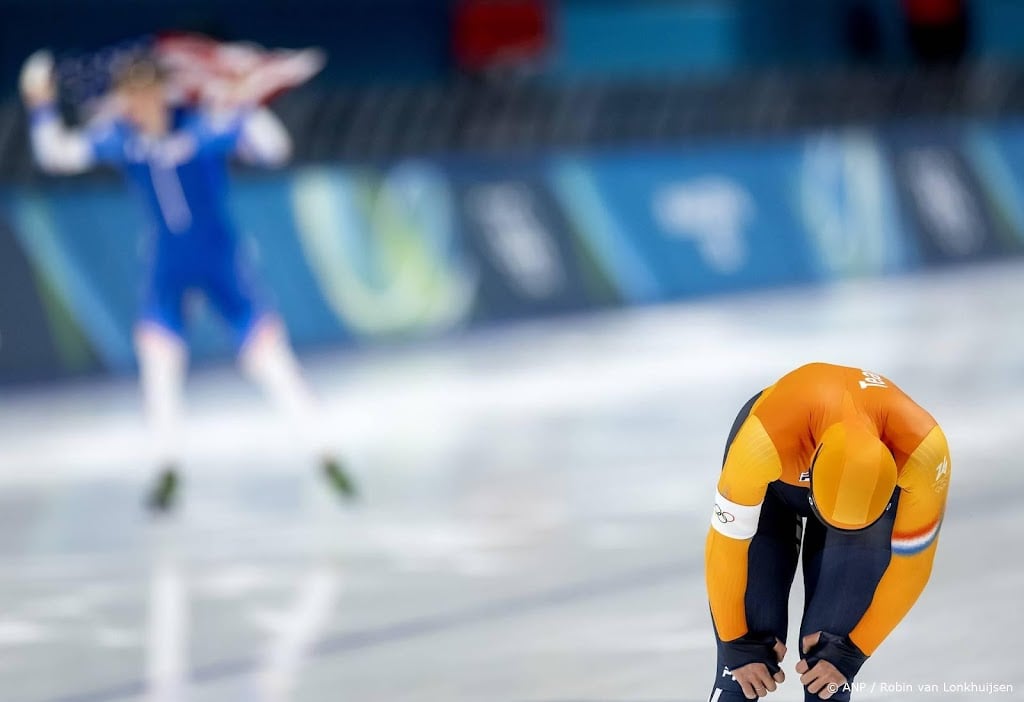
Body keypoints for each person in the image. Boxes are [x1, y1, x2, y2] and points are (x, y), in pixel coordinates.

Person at [19, 49, 356, 512]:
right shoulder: (121, 137)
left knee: (272, 364)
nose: (137, 107)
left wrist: (245, 104)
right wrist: (40, 105)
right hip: (167, 269)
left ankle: (328, 458)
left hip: (223, 266)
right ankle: (167, 469)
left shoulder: (200, 127)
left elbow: (274, 149)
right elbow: (57, 155)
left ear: (161, 91)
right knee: (159, 366)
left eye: (144, 95)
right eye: (129, 97)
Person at [705, 363, 950, 701]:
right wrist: (734, 643)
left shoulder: (923, 452)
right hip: (776, 484)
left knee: (829, 662)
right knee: (745, 660)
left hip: (860, 486)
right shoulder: (760, 442)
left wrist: (854, 650)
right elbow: (725, 548)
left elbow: (913, 565)